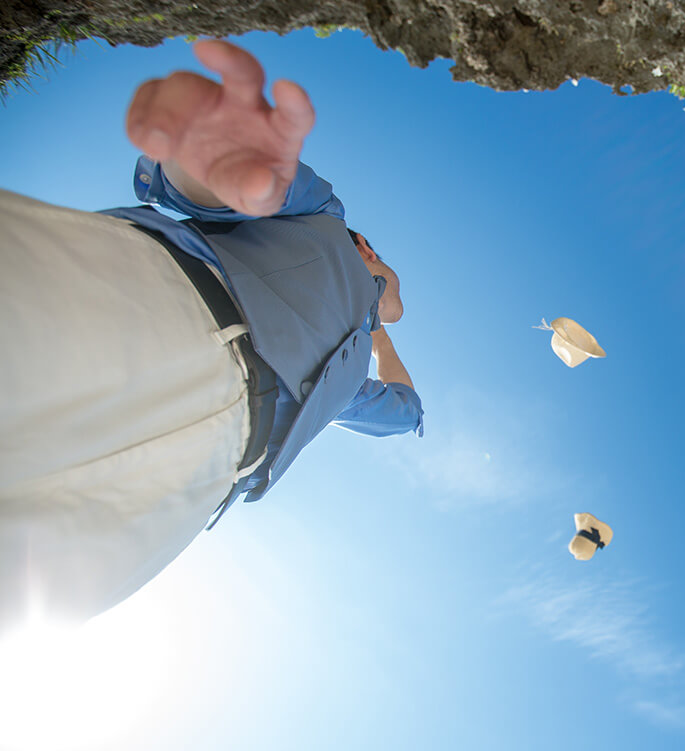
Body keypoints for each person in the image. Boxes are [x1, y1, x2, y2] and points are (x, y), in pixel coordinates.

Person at [0, 40, 423, 634]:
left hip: (201, 475)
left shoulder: (348, 379)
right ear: (369, 249)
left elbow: (406, 413)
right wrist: (201, 162)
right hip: (161, 299)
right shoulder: (326, 214)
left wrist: (377, 332)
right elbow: (231, 186)